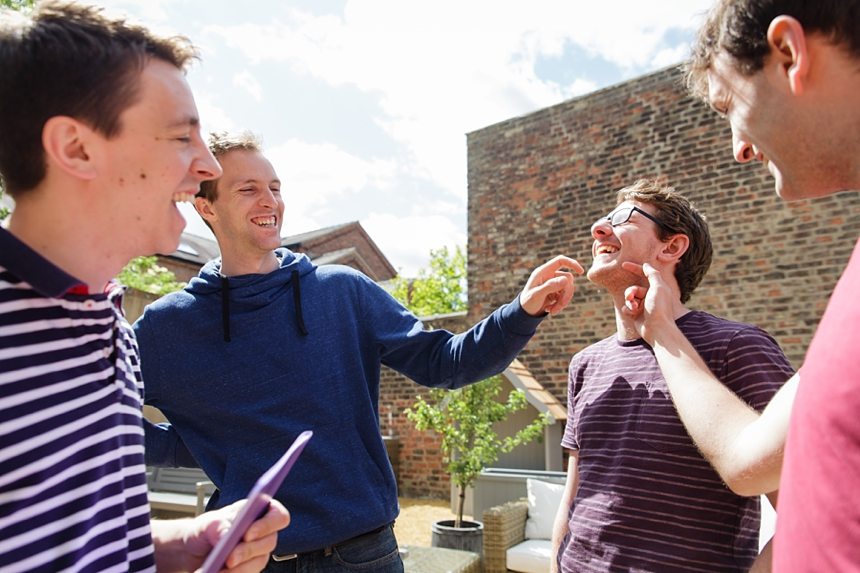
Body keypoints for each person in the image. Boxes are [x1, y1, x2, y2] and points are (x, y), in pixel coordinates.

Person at [133, 131, 583, 572]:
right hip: (250, 560)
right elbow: (97, 418)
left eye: (274, 187)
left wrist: (521, 311)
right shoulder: (167, 327)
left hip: (364, 556)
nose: (269, 201)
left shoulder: (341, 291)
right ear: (205, 205)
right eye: (248, 189)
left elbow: (446, 362)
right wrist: (207, 446)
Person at [0, 3, 289, 571]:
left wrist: (180, 544)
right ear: (76, 148)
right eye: (183, 137)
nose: (207, 166)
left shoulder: (110, 321)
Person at [620, 0, 860, 570]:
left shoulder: (741, 347)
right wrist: (658, 327)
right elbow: (747, 459)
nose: (739, 147)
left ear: (788, 53)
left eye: (730, 104)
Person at [549, 180, 793, 573]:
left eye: (623, 219)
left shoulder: (737, 347)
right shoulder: (585, 364)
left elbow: (813, 502)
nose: (598, 229)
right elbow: (574, 495)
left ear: (671, 247)